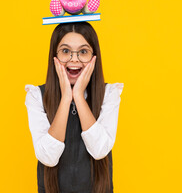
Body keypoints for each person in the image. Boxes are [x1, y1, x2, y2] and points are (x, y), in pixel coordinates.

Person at [25, 22, 123, 193]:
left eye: (83, 52)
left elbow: (100, 150)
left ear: (94, 57)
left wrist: (78, 95)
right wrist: (66, 98)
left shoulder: (109, 94)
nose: (74, 59)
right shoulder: (36, 96)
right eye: (65, 51)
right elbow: (48, 157)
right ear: (54, 57)